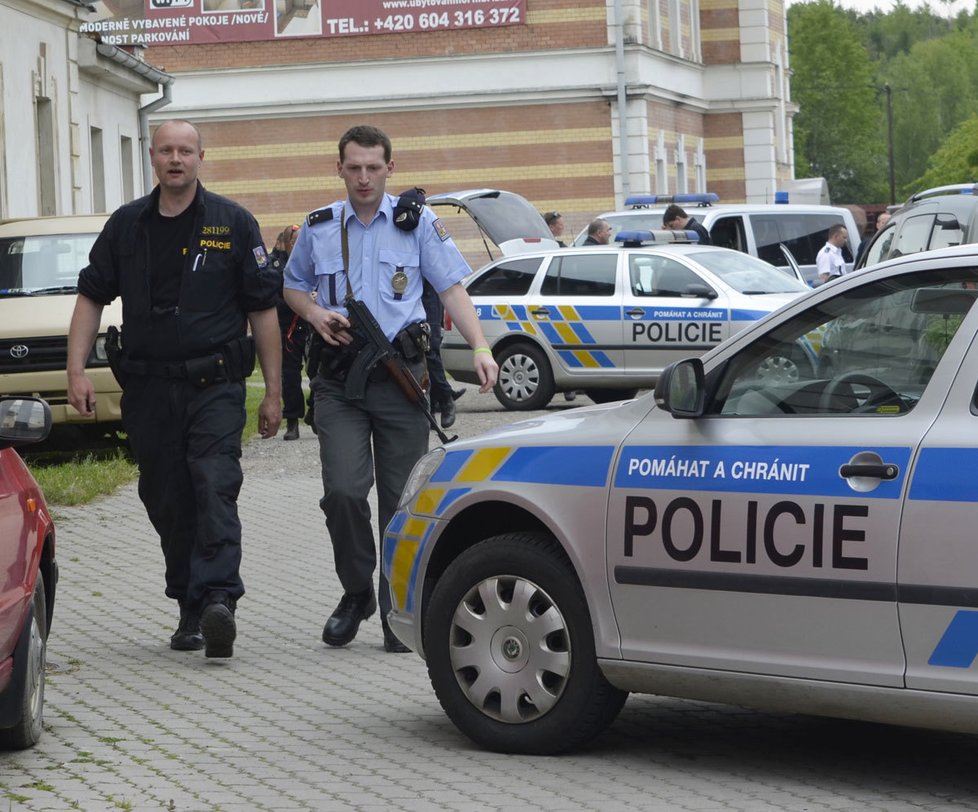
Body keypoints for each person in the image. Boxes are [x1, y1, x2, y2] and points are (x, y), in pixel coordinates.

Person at [66, 119, 283, 659]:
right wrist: (75, 371)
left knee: (213, 482)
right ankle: (189, 604)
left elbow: (262, 310)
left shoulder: (232, 223)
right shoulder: (126, 226)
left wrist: (276, 391)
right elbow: (91, 297)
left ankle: (217, 602)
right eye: (166, 150)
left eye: (185, 150)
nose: (176, 159)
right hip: (148, 390)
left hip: (215, 385)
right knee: (165, 496)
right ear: (152, 157)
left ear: (201, 156)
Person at [282, 124, 498, 653]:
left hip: (402, 381)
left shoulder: (416, 222)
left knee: (401, 503)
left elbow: (451, 288)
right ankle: (357, 592)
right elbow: (291, 286)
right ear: (339, 169)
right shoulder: (319, 227)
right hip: (338, 382)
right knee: (344, 492)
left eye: (373, 167)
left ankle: (396, 608)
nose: (363, 177)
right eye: (353, 167)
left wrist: (481, 346)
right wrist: (314, 312)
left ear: (389, 169)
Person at [269, 224, 310, 440]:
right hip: (289, 328)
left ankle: (316, 413)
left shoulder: (311, 260)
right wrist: (298, 302)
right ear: (288, 243)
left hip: (312, 324)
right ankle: (292, 421)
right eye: (295, 241)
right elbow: (273, 298)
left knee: (319, 372)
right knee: (291, 375)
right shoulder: (276, 266)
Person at [422, 278, 464, 429]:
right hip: (408, 304)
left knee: (429, 353)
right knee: (421, 361)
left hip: (429, 301)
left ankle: (446, 397)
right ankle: (431, 411)